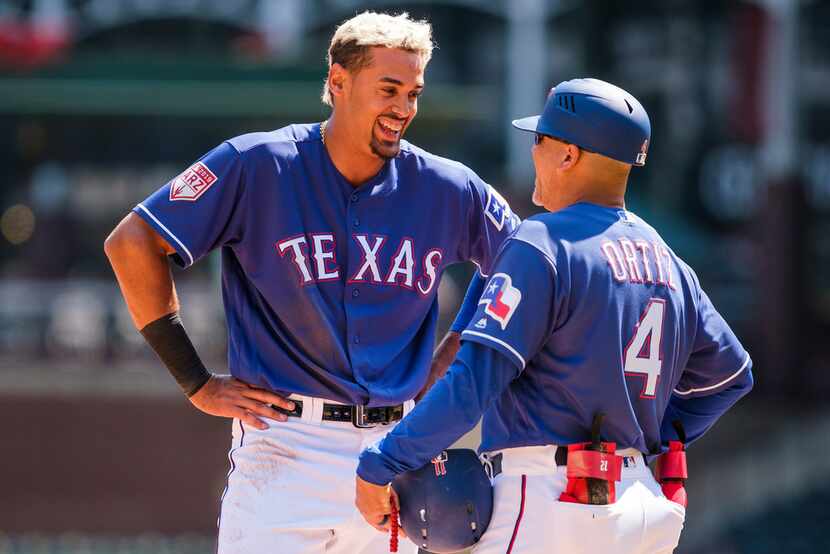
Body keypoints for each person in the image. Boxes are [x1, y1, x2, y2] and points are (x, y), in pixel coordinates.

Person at [103, 11, 517, 554]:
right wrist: (196, 382)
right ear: (338, 81)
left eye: (413, 93)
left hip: (397, 451)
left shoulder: (448, 186)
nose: (403, 109)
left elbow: (524, 267)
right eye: (388, 89)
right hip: (285, 447)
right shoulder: (255, 164)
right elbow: (132, 244)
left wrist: (455, 351)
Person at [355, 78, 754, 554]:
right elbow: (732, 376)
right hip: (642, 509)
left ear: (569, 154)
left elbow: (472, 385)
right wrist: (649, 442)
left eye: (540, 140)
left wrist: (381, 463)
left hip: (552, 501)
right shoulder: (671, 263)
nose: (533, 153)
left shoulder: (542, 244)